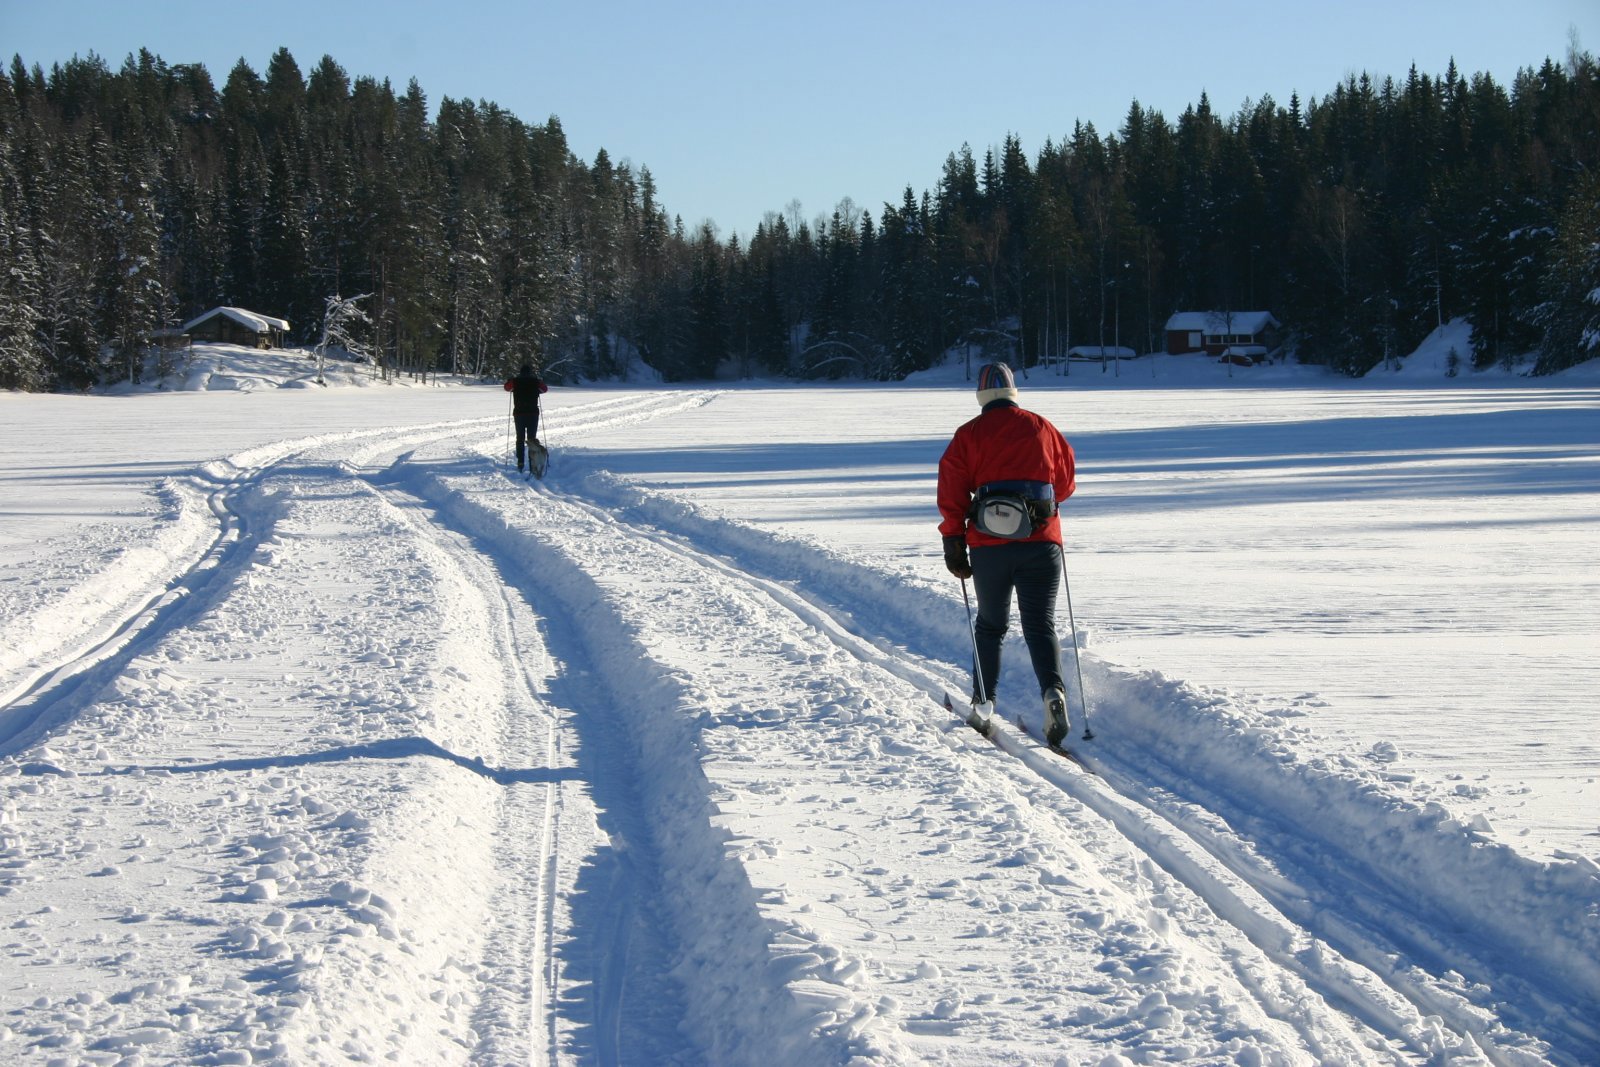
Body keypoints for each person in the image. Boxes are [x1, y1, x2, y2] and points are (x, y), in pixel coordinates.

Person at [937, 362, 1078, 747]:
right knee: (1040, 625)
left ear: (981, 396)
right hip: (1042, 542)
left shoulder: (968, 434)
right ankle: (1053, 693)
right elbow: (1064, 485)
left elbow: (951, 490)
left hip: (989, 546)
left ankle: (983, 704)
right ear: (1014, 392)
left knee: (990, 625)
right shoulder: (1042, 426)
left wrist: (953, 541)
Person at [503, 362, 548, 473]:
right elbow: (544, 389)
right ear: (530, 372)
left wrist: (509, 380)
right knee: (532, 439)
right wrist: (539, 381)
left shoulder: (515, 381)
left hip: (519, 414)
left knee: (520, 439)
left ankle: (520, 462)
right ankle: (532, 462)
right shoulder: (535, 381)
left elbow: (507, 388)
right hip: (533, 414)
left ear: (520, 372)